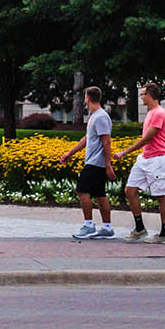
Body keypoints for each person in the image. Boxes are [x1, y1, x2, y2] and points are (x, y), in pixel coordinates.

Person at [112, 81, 165, 242]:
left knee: (161, 196)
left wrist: (124, 152)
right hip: (145, 158)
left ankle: (164, 234)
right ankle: (140, 229)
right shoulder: (151, 112)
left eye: (143, 94)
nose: (141, 97)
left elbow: (147, 138)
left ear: (150, 95)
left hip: (158, 159)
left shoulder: (159, 113)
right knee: (130, 190)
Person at [58, 86, 115, 239]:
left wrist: (108, 165)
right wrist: (70, 153)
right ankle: (107, 228)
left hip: (95, 163)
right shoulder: (95, 116)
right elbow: (87, 138)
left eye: (85, 97)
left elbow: (106, 142)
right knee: (99, 194)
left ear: (88, 98)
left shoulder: (101, 117)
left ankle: (89, 226)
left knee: (81, 190)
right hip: (94, 162)